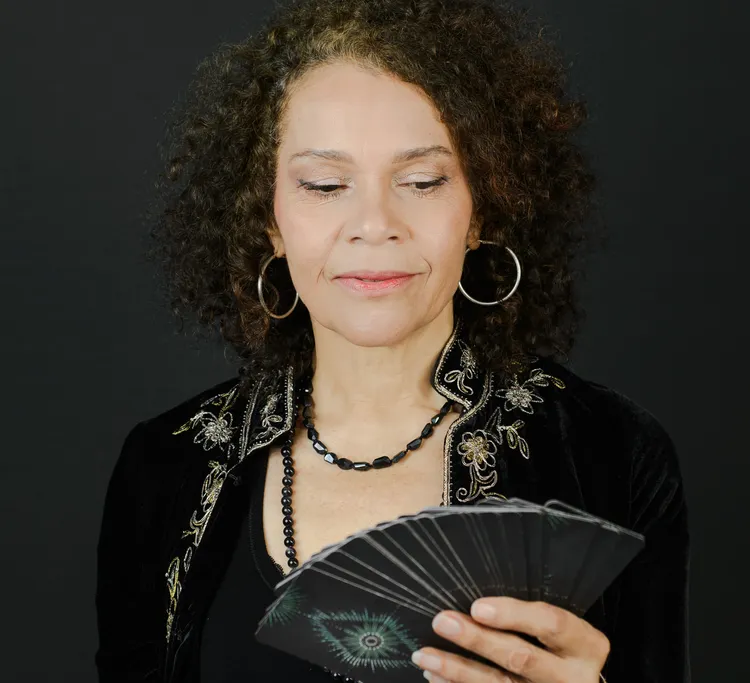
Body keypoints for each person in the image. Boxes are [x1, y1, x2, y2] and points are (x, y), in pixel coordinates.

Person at [94, 1, 691, 682]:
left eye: (422, 181)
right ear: (269, 221)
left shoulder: (611, 455)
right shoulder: (163, 469)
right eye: (325, 184)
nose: (375, 224)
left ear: (480, 208)